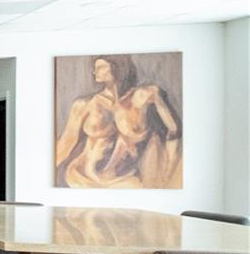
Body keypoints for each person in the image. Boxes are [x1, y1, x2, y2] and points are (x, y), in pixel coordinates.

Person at [54, 54, 181, 188]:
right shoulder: (84, 105)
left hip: (128, 182)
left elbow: (174, 130)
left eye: (101, 67)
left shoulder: (144, 96)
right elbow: (65, 145)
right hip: (82, 181)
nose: (94, 72)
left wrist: (169, 166)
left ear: (118, 68)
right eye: (95, 68)